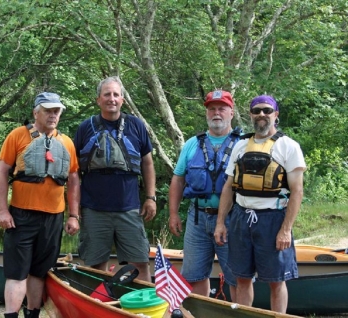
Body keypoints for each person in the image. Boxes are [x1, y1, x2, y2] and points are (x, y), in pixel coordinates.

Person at [214, 95, 306, 313]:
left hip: (273, 219)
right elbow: (228, 186)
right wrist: (220, 223)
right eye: (256, 111)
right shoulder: (240, 145)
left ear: (276, 115)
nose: (261, 115)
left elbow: (297, 191)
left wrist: (286, 229)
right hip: (241, 218)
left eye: (267, 110)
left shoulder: (288, 146)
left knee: (276, 280)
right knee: (242, 277)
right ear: (251, 115)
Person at [0, 92, 80, 318]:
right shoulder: (17, 136)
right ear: (36, 112)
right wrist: (2, 210)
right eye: (48, 110)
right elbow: (2, 173)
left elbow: (73, 181)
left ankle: (32, 314)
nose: (53, 115)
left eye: (57, 111)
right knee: (17, 273)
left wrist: (73, 215)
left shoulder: (67, 143)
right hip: (21, 215)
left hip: (53, 217)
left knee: (40, 272)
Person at [74, 76, 156, 282]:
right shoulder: (85, 127)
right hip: (93, 208)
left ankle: (140, 310)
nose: (112, 98)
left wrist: (151, 197)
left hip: (129, 207)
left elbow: (147, 163)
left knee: (140, 262)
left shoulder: (136, 125)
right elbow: (73, 173)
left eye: (116, 95)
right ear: (98, 100)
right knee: (94, 263)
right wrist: (74, 211)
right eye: (107, 94)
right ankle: (95, 306)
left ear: (123, 100)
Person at [168, 90, 239, 300]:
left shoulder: (243, 143)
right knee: (194, 275)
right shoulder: (192, 143)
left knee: (237, 277)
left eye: (222, 109)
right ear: (207, 113)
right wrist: (173, 214)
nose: (217, 113)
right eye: (212, 109)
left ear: (231, 113)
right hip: (197, 218)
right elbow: (178, 179)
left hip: (232, 219)